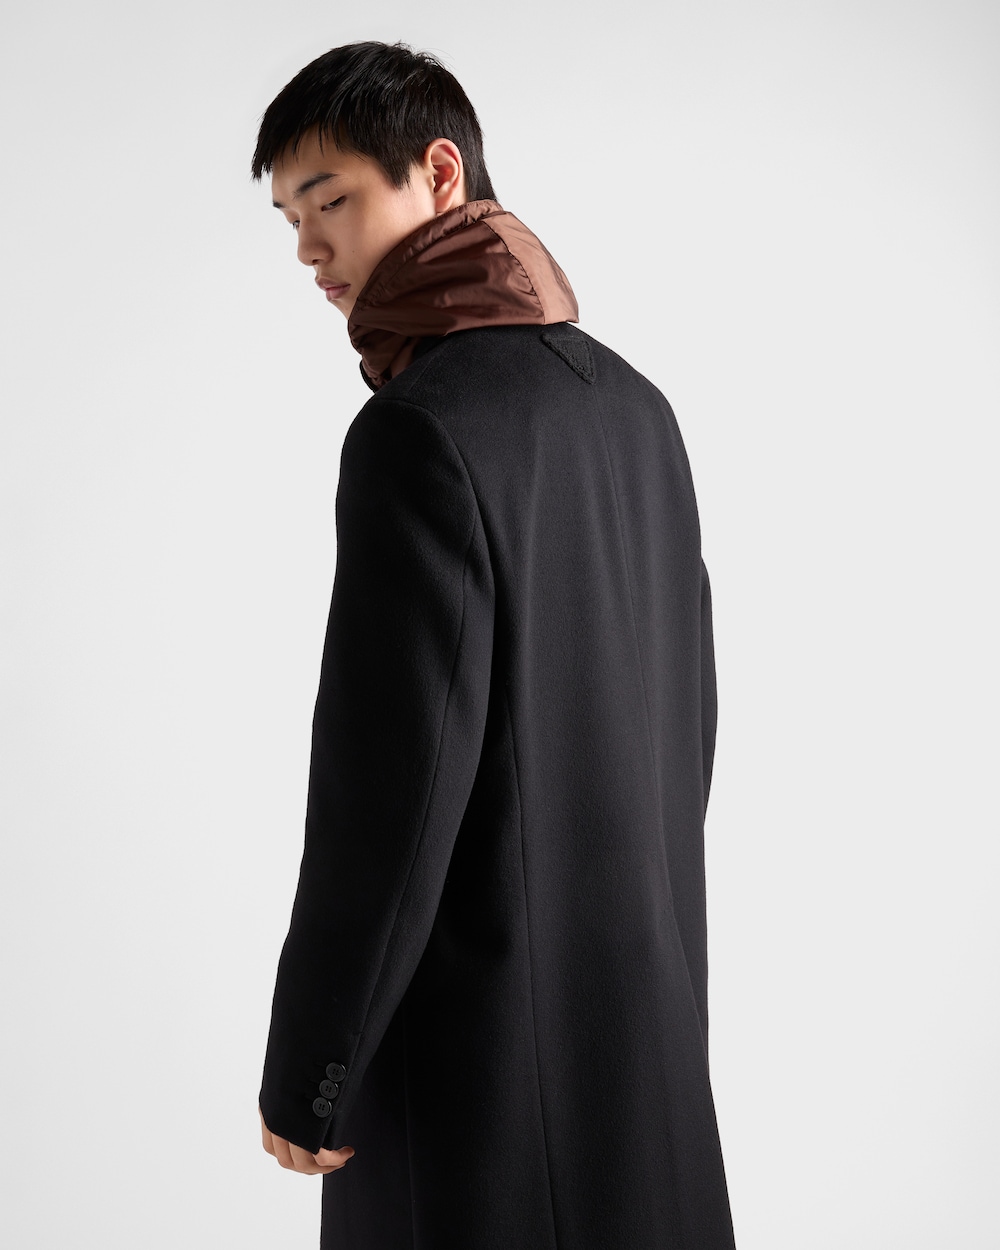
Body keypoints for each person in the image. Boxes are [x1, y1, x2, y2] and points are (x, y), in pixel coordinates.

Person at [251, 39, 737, 1250]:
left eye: (330, 201)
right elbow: (687, 729)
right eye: (290, 220)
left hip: (478, 1089)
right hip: (642, 1055)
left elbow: (387, 794)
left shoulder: (418, 432)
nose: (308, 248)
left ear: (439, 173)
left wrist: (313, 1067)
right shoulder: (634, 406)